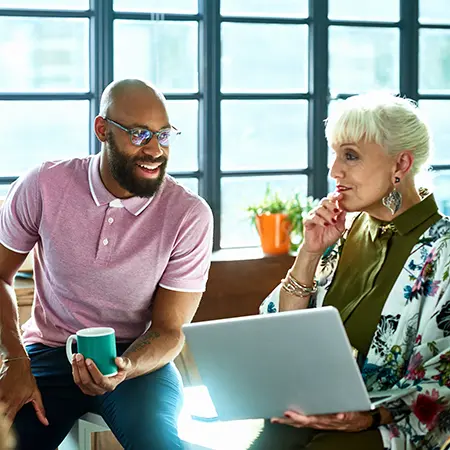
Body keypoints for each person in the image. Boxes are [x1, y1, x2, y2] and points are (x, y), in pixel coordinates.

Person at [0, 79, 214, 450]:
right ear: (102, 129)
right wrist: (16, 359)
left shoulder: (189, 214)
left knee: (159, 443)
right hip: (50, 353)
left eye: (163, 136)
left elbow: (169, 330)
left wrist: (126, 367)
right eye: (139, 134)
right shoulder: (43, 184)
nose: (154, 150)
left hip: (136, 359)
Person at [251, 93, 450, 450]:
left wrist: (369, 417)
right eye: (336, 154)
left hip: (392, 428)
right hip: (310, 411)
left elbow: (445, 379)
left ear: (400, 165)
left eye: (351, 156)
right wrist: (310, 252)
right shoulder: (342, 232)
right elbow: (281, 333)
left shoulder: (444, 249)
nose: (334, 171)